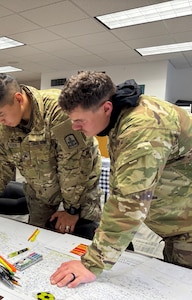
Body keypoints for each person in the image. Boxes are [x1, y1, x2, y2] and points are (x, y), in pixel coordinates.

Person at [50, 71, 192, 288]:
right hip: (176, 225)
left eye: (80, 120)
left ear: (106, 108)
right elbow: (123, 186)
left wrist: (91, 263)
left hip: (187, 227)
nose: (75, 127)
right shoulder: (122, 117)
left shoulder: (142, 127)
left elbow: (130, 201)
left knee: (180, 287)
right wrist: (108, 228)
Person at [0, 73, 102, 240]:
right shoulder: (3, 128)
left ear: (19, 99)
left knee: (80, 245)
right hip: (41, 194)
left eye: (1, 114)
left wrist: (72, 210)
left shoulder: (59, 111)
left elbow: (76, 169)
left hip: (79, 194)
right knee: (37, 240)